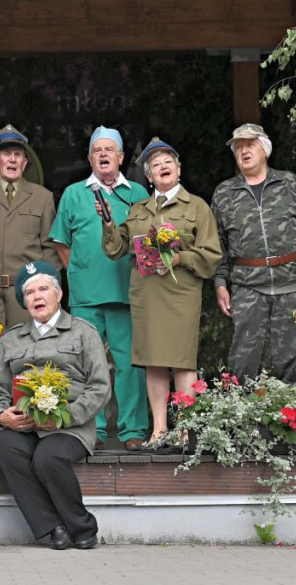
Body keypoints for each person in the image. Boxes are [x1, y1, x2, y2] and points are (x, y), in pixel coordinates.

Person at [101, 138, 222, 450]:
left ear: (178, 170)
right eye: (155, 165)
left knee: (182, 362)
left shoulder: (197, 207)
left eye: (168, 162)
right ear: (149, 177)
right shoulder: (138, 210)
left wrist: (181, 258)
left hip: (181, 294)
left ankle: (184, 429)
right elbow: (117, 249)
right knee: (153, 362)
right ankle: (158, 430)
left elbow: (210, 255)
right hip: (147, 294)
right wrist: (108, 223)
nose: (163, 167)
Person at [0, 261, 110, 550]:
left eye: (43, 289)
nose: (37, 296)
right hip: (24, 425)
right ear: (24, 301)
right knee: (4, 448)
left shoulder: (83, 332)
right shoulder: (11, 338)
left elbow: (100, 387)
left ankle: (82, 527)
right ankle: (52, 528)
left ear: (59, 294)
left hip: (70, 427)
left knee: (47, 457)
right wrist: (3, 417)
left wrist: (65, 418)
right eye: (29, 292)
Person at [50, 126, 149, 451]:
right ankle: (92, 428)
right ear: (90, 157)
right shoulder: (74, 193)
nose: (103, 155)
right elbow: (62, 243)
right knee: (86, 365)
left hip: (127, 293)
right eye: (97, 150)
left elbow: (150, 243)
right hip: (86, 296)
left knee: (130, 364)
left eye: (110, 150)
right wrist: (79, 273)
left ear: (121, 157)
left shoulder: (137, 193)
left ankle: (132, 430)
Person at [212, 123, 296, 383]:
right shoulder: (224, 193)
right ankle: (242, 419)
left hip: (293, 283)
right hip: (247, 285)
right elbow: (218, 245)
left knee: (294, 356)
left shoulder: (290, 183)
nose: (244, 151)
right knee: (243, 358)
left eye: (250, 145)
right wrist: (221, 283)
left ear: (264, 149)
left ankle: (291, 421)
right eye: (238, 147)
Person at [0, 125, 57, 380]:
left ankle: (26, 414)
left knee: (29, 353)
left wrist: (49, 291)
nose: (12, 159)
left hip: (26, 292)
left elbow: (49, 248)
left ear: (25, 163)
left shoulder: (43, 197)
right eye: (6, 154)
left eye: (17, 155)